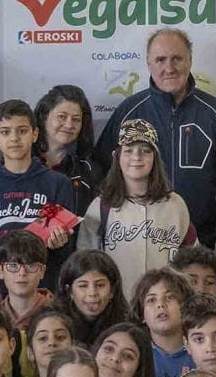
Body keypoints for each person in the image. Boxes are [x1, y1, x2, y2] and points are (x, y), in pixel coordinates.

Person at [92, 28, 216, 240]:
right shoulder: (129, 111)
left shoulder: (214, 112)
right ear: (149, 64)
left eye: (177, 59)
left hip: (203, 238)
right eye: (160, 60)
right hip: (139, 237)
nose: (169, 68)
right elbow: (102, 170)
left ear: (190, 61)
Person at [0, 97, 82, 270]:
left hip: (44, 279)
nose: (14, 138)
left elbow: (69, 247)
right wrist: (7, 251)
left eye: (22, 131)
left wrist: (59, 243)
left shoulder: (59, 184)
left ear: (35, 134)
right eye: (5, 132)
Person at [79, 118, 195, 296]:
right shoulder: (100, 206)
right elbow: (84, 265)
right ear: (117, 156)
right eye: (128, 150)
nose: (136, 157)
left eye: (145, 151)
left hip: (164, 304)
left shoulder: (175, 204)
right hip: (117, 303)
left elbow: (192, 260)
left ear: (155, 157)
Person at [35, 84, 102, 197]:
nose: (69, 125)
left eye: (76, 119)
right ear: (44, 117)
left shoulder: (89, 169)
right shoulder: (22, 158)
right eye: (62, 117)